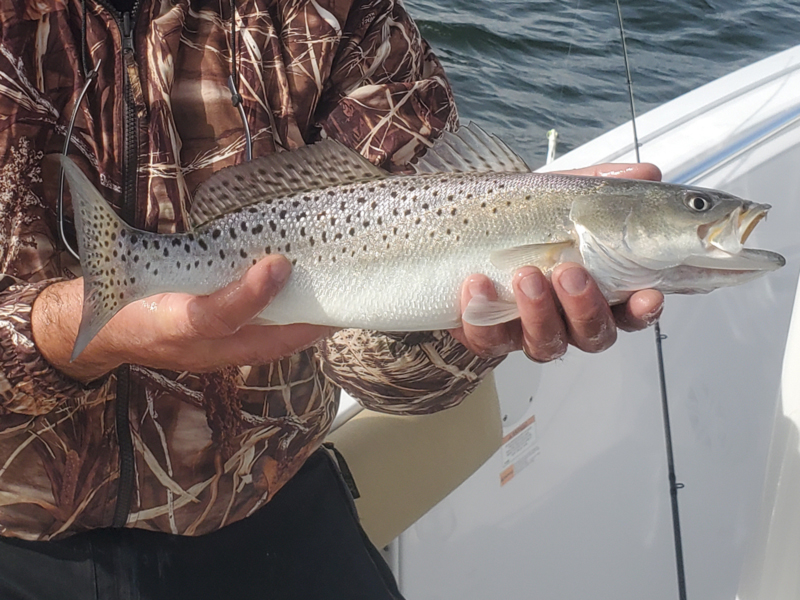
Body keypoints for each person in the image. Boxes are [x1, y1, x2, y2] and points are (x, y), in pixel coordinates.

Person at [0, 0, 663, 597]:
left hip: (271, 507)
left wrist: (460, 323)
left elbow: (401, 377)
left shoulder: (339, 13)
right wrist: (56, 337)